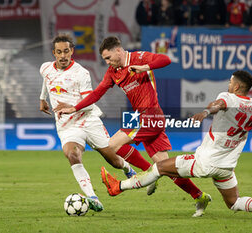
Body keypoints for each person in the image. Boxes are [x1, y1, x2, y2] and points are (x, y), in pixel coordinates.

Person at [101, 69, 252, 219]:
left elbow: (218, 104)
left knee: (159, 167)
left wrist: (207, 111)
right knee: (233, 202)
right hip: (226, 167)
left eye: (230, 82)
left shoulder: (228, 97)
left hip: (205, 162)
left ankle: (117, 188)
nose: (228, 84)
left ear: (236, 86)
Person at [55, 36, 211, 217]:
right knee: (165, 167)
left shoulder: (139, 58)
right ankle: (199, 196)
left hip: (151, 115)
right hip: (141, 118)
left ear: (118, 51)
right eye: (104, 59)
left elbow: (166, 59)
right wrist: (74, 108)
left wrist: (145, 67)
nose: (107, 62)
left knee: (112, 145)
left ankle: (146, 172)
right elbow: (97, 94)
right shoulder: (113, 72)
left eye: (108, 58)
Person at [39, 34, 136, 213]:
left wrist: (71, 107)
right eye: (59, 52)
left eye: (66, 51)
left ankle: (127, 167)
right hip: (67, 126)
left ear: (72, 51)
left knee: (113, 160)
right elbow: (46, 81)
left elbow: (89, 102)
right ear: (54, 53)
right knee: (72, 155)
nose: (62, 56)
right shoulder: (45, 68)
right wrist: (42, 98)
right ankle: (93, 197)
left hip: (88, 120)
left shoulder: (81, 73)